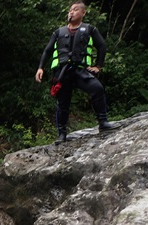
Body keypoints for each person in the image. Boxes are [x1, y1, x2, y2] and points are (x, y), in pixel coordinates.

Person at [35, 1, 118, 144]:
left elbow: (102, 45)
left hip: (80, 70)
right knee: (63, 103)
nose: (71, 12)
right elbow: (47, 50)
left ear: (83, 13)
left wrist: (98, 66)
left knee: (97, 89)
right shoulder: (58, 32)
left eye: (75, 10)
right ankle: (62, 134)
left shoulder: (90, 29)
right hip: (62, 72)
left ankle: (103, 123)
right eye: (70, 10)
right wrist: (40, 67)